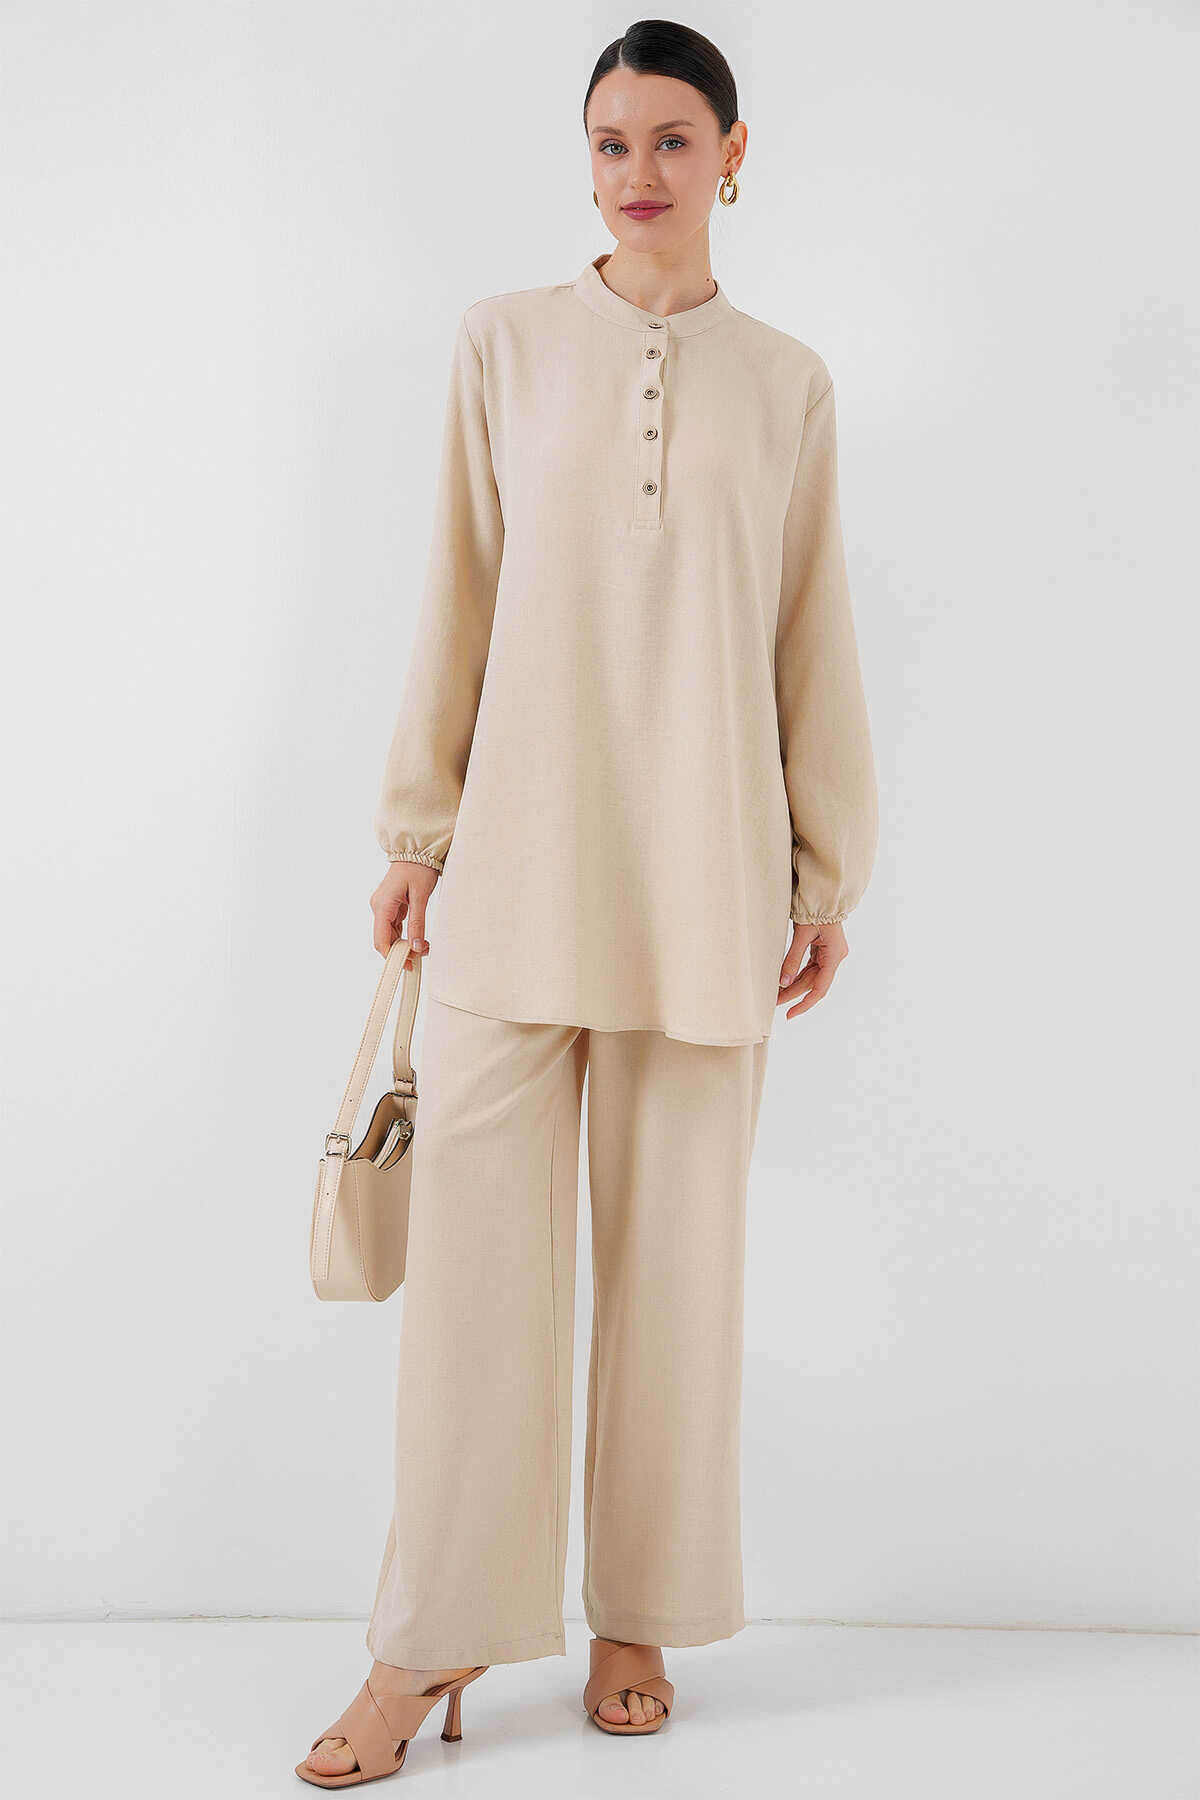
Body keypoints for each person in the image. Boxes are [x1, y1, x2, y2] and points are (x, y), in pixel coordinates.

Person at [296, 17, 878, 1787]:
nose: (639, 172)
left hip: (707, 878)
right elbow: (457, 595)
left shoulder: (787, 383)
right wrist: (417, 831)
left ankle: (639, 1613)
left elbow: (810, 636)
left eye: (673, 139)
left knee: (676, 1277)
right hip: (516, 870)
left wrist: (823, 869)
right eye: (612, 141)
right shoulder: (503, 345)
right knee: (475, 1289)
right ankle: (431, 1637)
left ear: (734, 155)